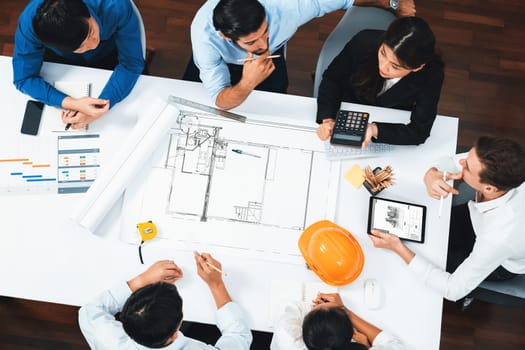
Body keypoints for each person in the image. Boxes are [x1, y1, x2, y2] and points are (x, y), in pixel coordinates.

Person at [369, 136, 525, 301]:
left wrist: (398, 248)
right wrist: (432, 174)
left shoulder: (497, 238)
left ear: (489, 188)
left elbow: (453, 290)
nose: (462, 162)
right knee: (429, 230)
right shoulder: (504, 169)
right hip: (478, 216)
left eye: (468, 167)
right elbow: (453, 161)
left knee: (430, 256)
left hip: (502, 262)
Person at [185, 0, 416, 110]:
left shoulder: (290, 5)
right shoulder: (204, 36)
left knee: (272, 110)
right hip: (219, 66)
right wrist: (247, 83)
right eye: (252, 42)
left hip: (273, 63)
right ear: (227, 38)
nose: (263, 44)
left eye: (266, 32)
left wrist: (394, 3)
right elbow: (219, 99)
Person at [13, 0, 145, 129]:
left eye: (91, 31)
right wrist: (73, 103)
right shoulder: (29, 25)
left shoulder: (115, 5)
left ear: (87, 12)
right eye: (80, 46)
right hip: (63, 63)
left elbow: (131, 64)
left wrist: (99, 107)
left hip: (111, 54)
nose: (93, 45)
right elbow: (24, 78)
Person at [316, 16, 444, 147]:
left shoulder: (432, 74)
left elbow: (419, 131)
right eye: (383, 53)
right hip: (350, 104)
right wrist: (328, 119)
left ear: (418, 67)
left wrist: (373, 129)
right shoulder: (364, 41)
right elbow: (331, 79)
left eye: (395, 66)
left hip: (391, 115)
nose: (383, 66)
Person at [78, 253, 252, 349]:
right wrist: (216, 285)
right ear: (176, 331)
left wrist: (142, 279)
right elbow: (239, 336)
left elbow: (90, 310)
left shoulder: (109, 340)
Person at [271, 292, 405, 350]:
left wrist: (326, 310)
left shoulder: (287, 337)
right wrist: (344, 310)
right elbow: (394, 344)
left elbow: (295, 307)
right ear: (352, 335)